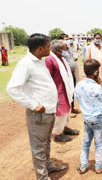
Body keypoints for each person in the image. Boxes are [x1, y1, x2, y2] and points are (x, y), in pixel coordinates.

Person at [7, 33, 67, 180]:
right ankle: (42, 176)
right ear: (40, 49)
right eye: (47, 47)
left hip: (48, 110)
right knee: (38, 146)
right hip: (38, 113)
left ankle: (48, 165)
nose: (49, 49)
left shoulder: (40, 61)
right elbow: (12, 88)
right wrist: (33, 104)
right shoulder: (25, 64)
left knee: (46, 141)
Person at [75, 59, 102, 175]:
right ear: (96, 72)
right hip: (97, 118)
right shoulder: (97, 87)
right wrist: (98, 84)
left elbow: (77, 97)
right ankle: (99, 166)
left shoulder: (79, 85)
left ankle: (83, 166)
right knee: (99, 144)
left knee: (86, 143)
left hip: (86, 118)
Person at [45, 40, 79, 142]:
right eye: (65, 49)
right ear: (57, 50)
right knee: (61, 112)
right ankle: (58, 134)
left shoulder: (62, 59)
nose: (67, 50)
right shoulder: (49, 60)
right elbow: (48, 77)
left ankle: (66, 128)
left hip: (66, 88)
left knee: (68, 110)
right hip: (58, 90)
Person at [86, 33, 102, 102]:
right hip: (95, 69)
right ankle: (96, 98)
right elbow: (88, 59)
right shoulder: (90, 48)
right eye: (96, 38)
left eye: (99, 38)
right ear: (93, 39)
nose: (98, 39)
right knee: (96, 83)